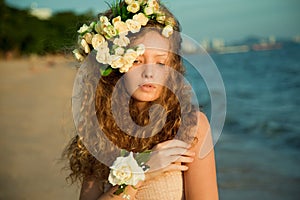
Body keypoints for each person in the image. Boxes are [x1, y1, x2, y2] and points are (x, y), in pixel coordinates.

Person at [64, 0, 219, 199]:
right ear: (116, 65)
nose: (149, 73)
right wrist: (141, 170)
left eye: (161, 63)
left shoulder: (191, 126)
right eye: (136, 60)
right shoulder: (99, 130)